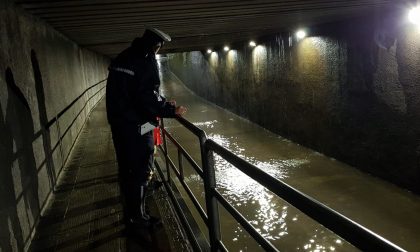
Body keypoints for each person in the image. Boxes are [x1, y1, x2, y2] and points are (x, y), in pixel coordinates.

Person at [106, 27, 187, 229]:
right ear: (156, 46)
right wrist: (170, 110)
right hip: (138, 125)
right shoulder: (144, 59)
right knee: (142, 165)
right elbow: (146, 95)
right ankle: (138, 217)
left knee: (127, 166)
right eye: (158, 48)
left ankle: (132, 208)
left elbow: (136, 93)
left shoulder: (124, 56)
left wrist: (163, 105)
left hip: (120, 124)